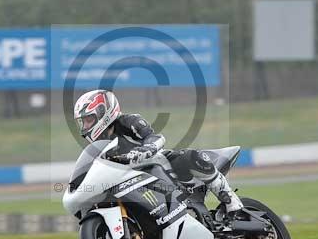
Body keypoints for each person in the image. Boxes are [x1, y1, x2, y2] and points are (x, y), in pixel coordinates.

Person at [72, 89, 243, 215]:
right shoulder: (99, 147)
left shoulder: (129, 121)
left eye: (88, 119)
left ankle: (230, 200)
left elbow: (155, 137)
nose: (85, 127)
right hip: (130, 183)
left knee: (188, 156)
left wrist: (146, 149)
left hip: (157, 165)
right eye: (83, 122)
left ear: (104, 112)